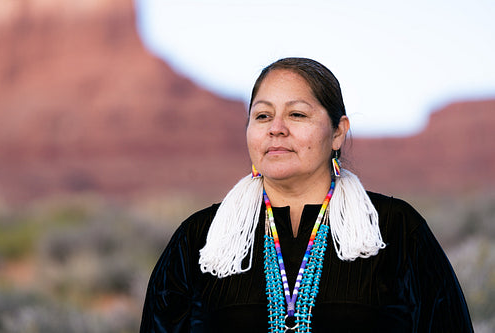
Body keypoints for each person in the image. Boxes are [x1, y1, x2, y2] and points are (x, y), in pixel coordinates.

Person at [140, 57, 473, 332]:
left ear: (338, 133)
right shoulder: (200, 237)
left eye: (297, 114)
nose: (276, 128)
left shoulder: (396, 230)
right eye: (262, 116)